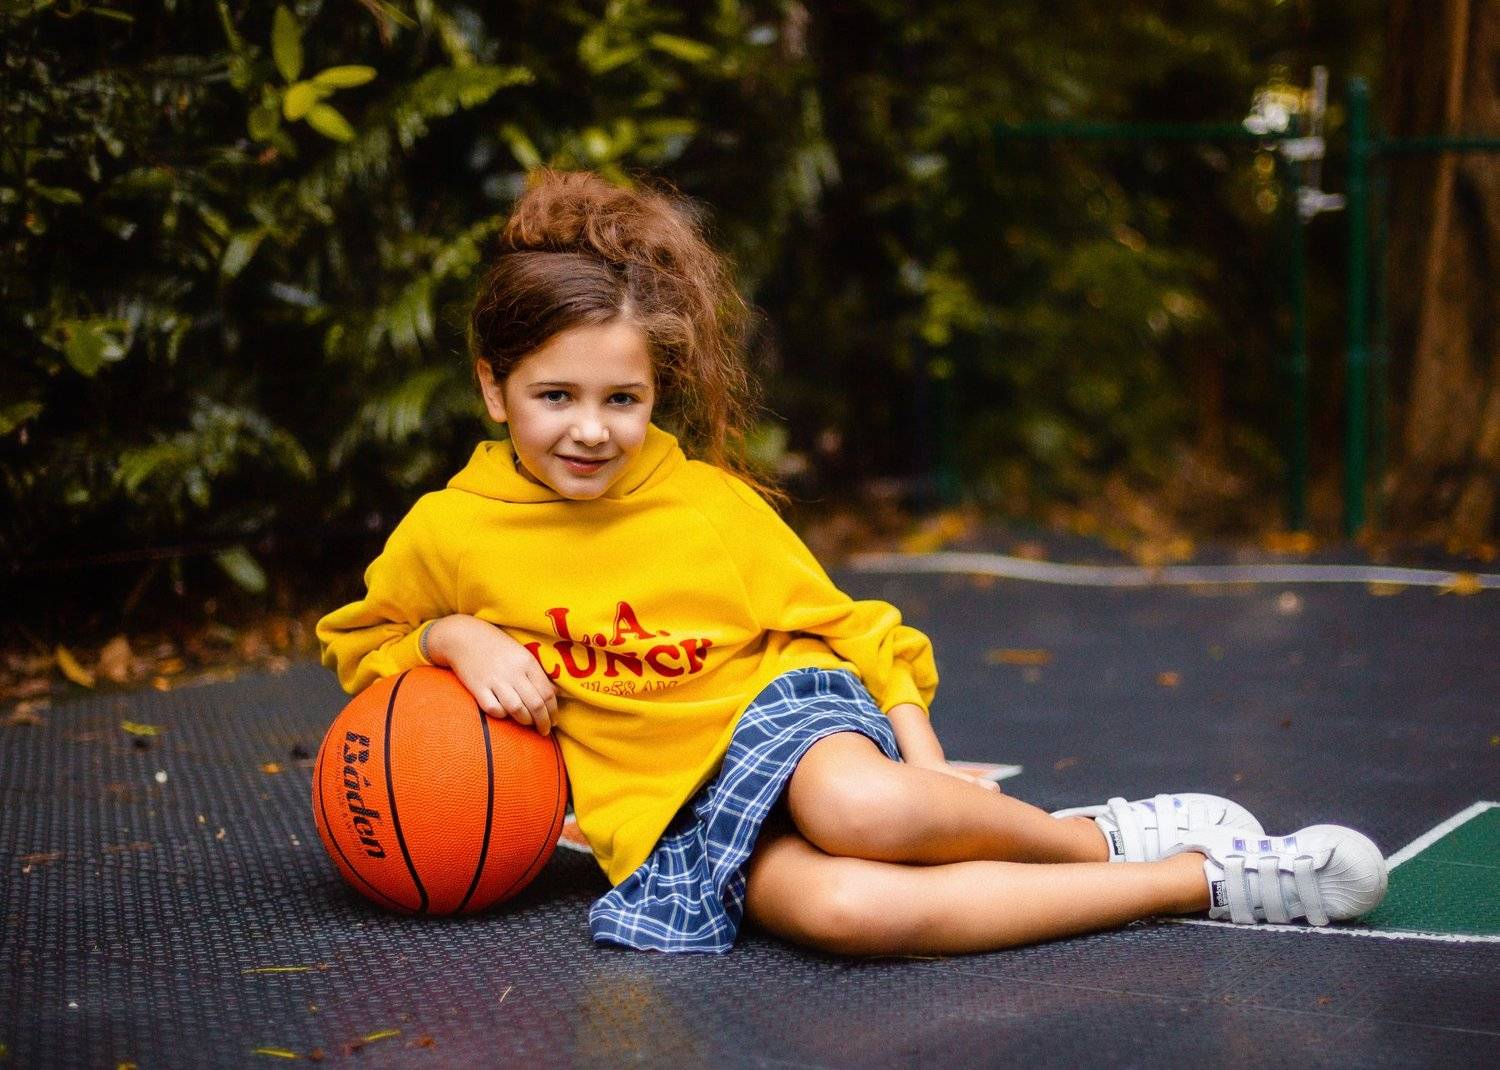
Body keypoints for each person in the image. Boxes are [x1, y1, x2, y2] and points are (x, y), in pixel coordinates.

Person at [317, 169, 1387, 955]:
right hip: (664, 813)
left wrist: (920, 756)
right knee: (847, 913)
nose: (591, 429)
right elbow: (359, 642)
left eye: (622, 399)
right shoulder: (451, 530)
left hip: (777, 719)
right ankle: (1189, 880)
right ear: (493, 387)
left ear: (655, 395)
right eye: (556, 396)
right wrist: (453, 634)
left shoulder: (705, 507)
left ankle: (1089, 840)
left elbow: (855, 630)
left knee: (863, 812)